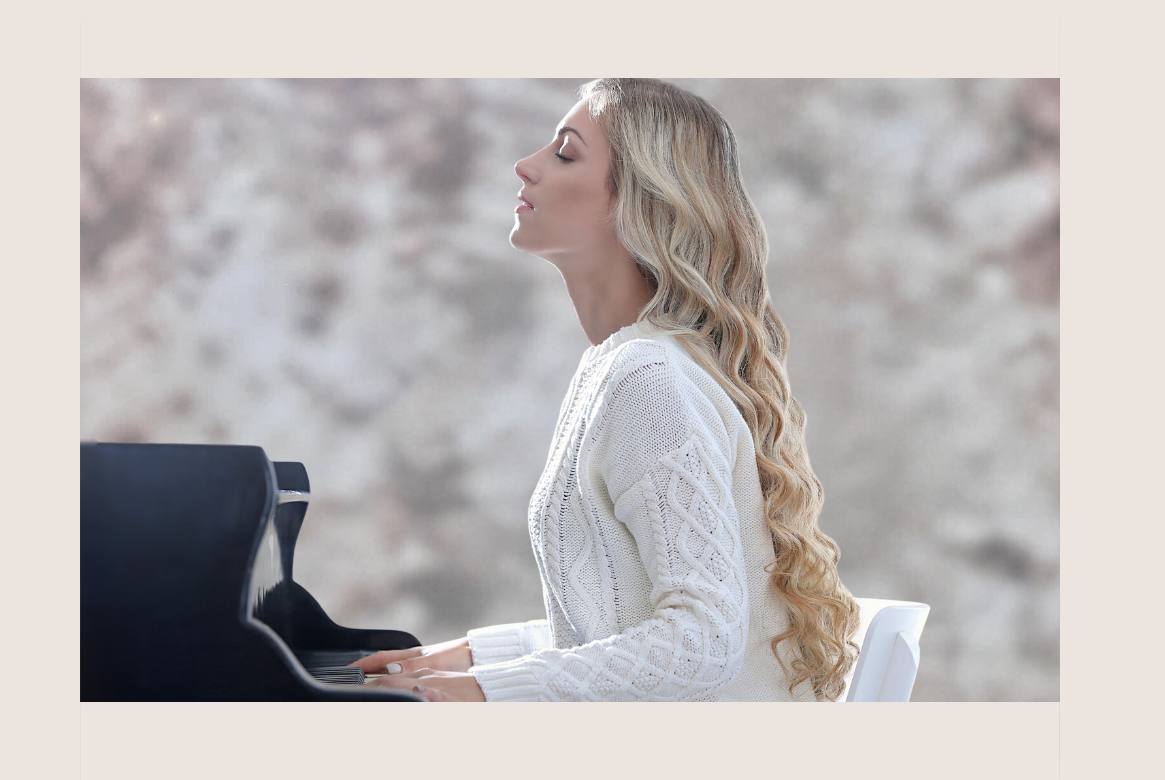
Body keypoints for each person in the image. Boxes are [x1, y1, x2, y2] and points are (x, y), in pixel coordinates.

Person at [352, 78, 860, 701]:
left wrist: (485, 691)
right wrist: (469, 657)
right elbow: (618, 615)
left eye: (565, 152)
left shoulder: (649, 378)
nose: (526, 165)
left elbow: (699, 643)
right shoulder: (624, 363)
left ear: (640, 203)